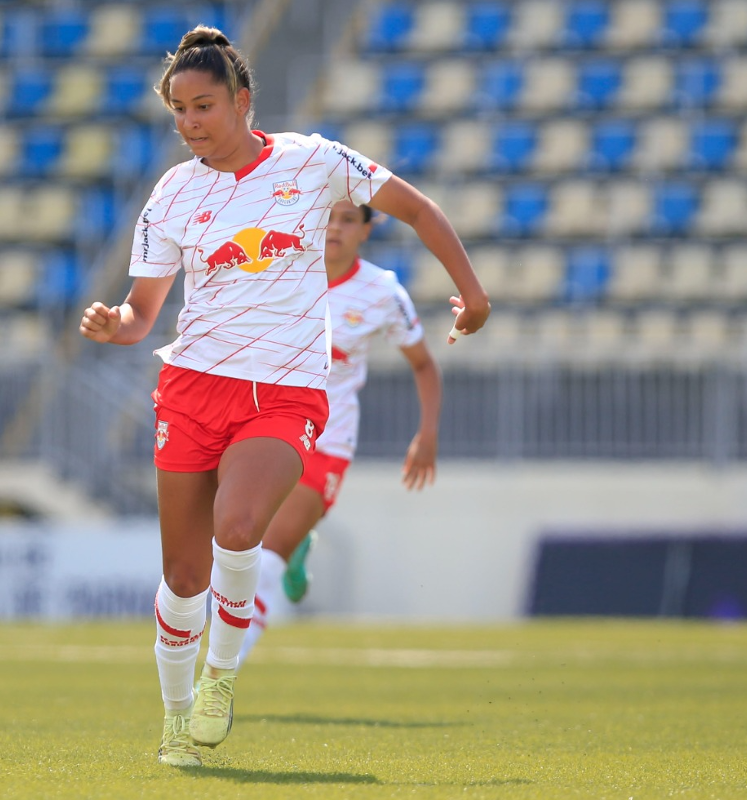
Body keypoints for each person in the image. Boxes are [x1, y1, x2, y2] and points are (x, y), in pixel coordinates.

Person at [78, 26, 489, 767]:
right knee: (182, 577)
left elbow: (420, 209)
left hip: (286, 392)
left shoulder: (313, 161)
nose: (190, 122)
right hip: (192, 388)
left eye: (203, 105)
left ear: (241, 101)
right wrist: (119, 325)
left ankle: (221, 679)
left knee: (238, 530)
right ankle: (175, 722)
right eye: (178, 109)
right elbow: (145, 311)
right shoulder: (173, 192)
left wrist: (471, 292)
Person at [236, 201, 442, 668]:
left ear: (367, 230)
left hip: (328, 439)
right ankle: (296, 543)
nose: (335, 227)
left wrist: (426, 434)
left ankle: (220, 677)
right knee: (235, 551)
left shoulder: (382, 292)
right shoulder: (277, 272)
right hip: (267, 428)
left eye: (349, 219)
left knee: (264, 559)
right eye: (327, 216)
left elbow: (424, 364)